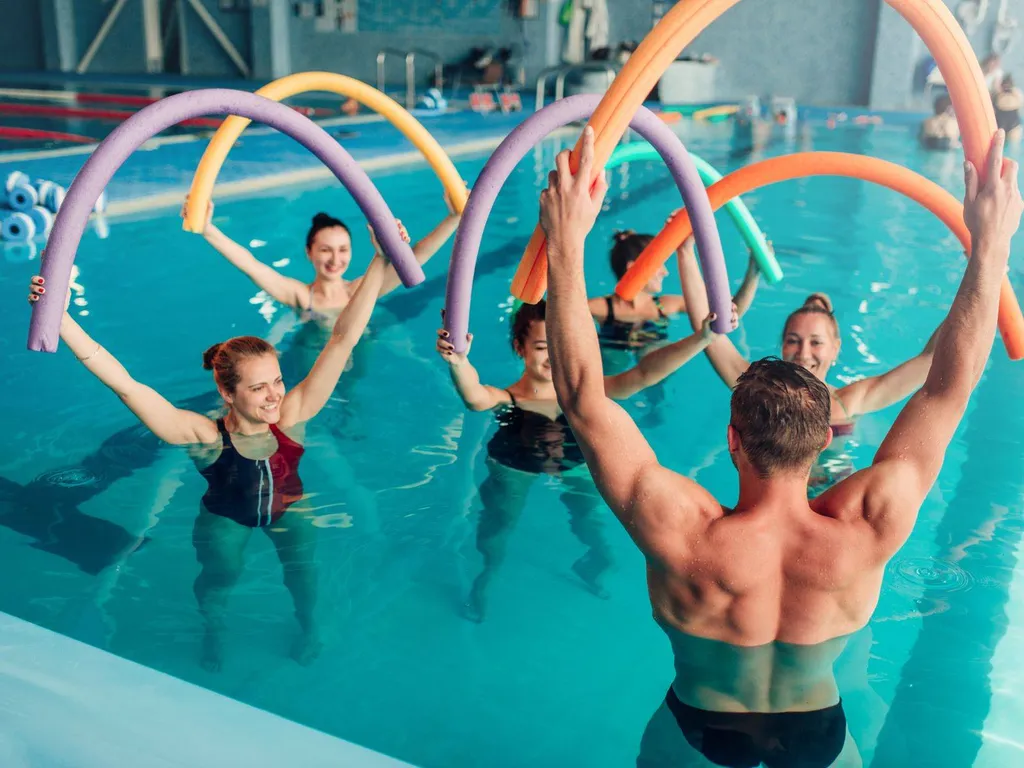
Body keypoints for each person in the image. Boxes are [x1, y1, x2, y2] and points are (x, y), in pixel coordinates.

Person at [538, 125, 1020, 767]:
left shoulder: (679, 527)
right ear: (823, 440)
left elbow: (582, 397)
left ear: (732, 440)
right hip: (816, 731)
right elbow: (948, 391)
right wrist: (990, 247)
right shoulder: (868, 525)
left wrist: (565, 244)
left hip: (700, 725)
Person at [28, 224, 407, 672]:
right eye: (259, 388)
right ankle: (213, 630)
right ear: (227, 393)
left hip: (289, 507)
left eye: (277, 381)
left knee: (303, 574)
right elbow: (126, 385)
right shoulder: (203, 436)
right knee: (218, 580)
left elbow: (343, 338)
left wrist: (380, 259)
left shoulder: (294, 413)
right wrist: (60, 319)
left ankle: (310, 626)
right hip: (225, 518)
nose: (275, 396)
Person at [436, 298, 735, 622]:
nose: (552, 357)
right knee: (498, 527)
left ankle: (592, 563)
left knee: (591, 523)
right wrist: (458, 362)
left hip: (575, 462)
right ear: (520, 348)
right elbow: (475, 397)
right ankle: (486, 577)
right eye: (541, 347)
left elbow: (644, 374)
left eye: (558, 347)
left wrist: (703, 338)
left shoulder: (585, 395)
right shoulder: (508, 397)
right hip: (514, 464)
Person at [675, 235, 939, 495]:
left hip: (832, 502)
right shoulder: (758, 391)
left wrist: (969, 283)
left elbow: (929, 360)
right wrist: (685, 251)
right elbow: (709, 334)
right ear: (782, 346)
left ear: (835, 348)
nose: (803, 353)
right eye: (793, 340)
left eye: (816, 342)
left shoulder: (848, 401)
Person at [187, 196, 460, 323]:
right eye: (326, 250)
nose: (335, 259)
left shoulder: (360, 291)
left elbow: (416, 257)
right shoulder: (299, 296)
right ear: (309, 252)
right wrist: (208, 230)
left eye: (343, 250)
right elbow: (251, 266)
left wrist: (455, 217)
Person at [588, 230, 760, 357]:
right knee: (613, 359)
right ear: (633, 267)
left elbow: (728, 314)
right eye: (658, 264)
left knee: (655, 353)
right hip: (614, 368)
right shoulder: (601, 308)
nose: (665, 272)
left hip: (652, 369)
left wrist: (753, 272)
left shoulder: (665, 305)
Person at [994, 73, 1024, 143]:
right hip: (1002, 124)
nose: (1006, 87)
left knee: (1012, 143)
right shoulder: (997, 95)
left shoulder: (1016, 94)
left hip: (1013, 126)